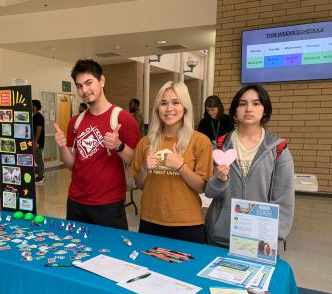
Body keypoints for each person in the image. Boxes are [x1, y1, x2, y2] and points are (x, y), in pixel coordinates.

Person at [54, 59, 141, 229]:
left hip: (109, 204)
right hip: (76, 202)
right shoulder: (75, 122)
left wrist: (119, 146)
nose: (84, 90)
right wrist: (62, 146)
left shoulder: (123, 119)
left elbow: (135, 162)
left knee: (111, 252)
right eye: (79, 86)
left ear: (102, 81)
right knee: (76, 252)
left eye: (88, 83)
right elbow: (72, 164)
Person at [205, 84, 295, 248]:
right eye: (242, 103)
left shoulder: (278, 149)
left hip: (260, 240)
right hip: (220, 236)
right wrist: (219, 180)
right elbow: (209, 191)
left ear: (265, 110)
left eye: (256, 103)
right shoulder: (218, 146)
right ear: (234, 110)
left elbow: (284, 200)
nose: (248, 108)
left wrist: (275, 238)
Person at [130, 81, 213, 244]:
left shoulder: (200, 141)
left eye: (176, 102)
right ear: (157, 108)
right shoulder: (145, 142)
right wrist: (145, 168)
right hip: (150, 221)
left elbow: (202, 187)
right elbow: (139, 184)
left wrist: (181, 167)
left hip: (188, 223)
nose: (169, 108)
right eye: (163, 103)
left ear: (185, 107)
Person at [32, 99, 45, 184]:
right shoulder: (34, 116)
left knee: (38, 160)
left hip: (37, 143)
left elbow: (39, 130)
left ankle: (41, 177)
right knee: (37, 159)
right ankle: (40, 175)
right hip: (35, 142)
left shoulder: (38, 117)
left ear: (35, 106)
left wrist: (35, 142)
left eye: (31, 105)